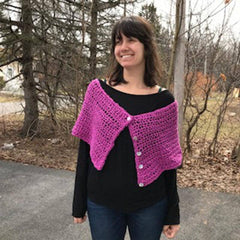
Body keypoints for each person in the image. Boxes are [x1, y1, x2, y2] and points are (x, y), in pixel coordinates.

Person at [72, 16, 182, 240]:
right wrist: (78, 202)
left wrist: (173, 213)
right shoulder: (98, 92)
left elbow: (168, 162)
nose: (123, 47)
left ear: (146, 46)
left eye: (131, 40)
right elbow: (85, 150)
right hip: (102, 203)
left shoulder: (164, 102)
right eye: (118, 41)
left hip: (150, 205)